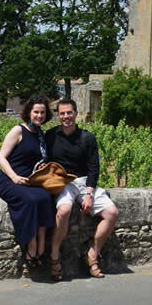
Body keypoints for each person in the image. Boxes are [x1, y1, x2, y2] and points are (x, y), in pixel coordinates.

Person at [46, 97, 119, 280]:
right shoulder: (51, 136)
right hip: (63, 182)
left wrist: (89, 194)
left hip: (84, 182)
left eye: (69, 113)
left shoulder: (87, 138)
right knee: (64, 211)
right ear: (58, 116)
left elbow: (94, 168)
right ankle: (54, 257)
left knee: (112, 213)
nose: (66, 116)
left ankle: (92, 254)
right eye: (62, 113)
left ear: (76, 114)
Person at [0, 95, 56, 270]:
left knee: (46, 198)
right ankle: (31, 245)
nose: (39, 115)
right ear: (29, 112)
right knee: (31, 200)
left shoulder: (41, 134)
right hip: (10, 180)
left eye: (42, 112)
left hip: (30, 182)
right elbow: (1, 157)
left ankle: (41, 242)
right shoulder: (18, 131)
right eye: (36, 112)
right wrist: (14, 177)